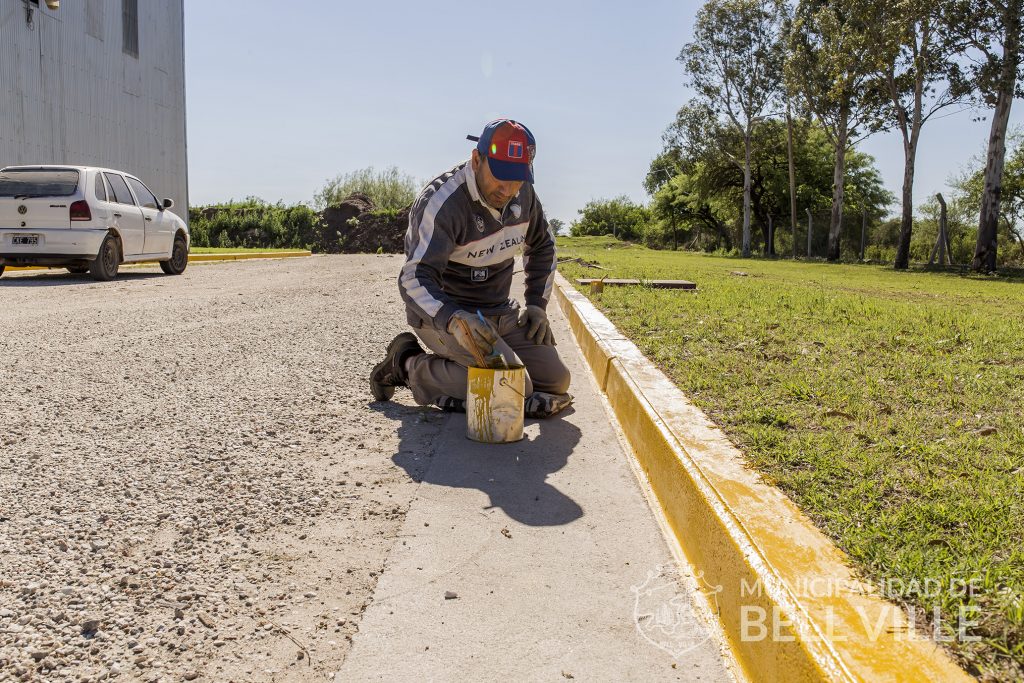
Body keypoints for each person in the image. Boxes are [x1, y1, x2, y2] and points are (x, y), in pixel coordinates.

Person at [370, 118, 572, 418]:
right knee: (517, 389)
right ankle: (408, 364)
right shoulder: (443, 203)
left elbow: (543, 247)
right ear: (477, 159)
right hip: (447, 318)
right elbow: (413, 278)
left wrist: (536, 306)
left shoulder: (524, 196)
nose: (507, 190)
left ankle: (474, 375)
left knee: (557, 381)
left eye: (517, 179)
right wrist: (454, 319)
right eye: (500, 177)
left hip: (499, 312)